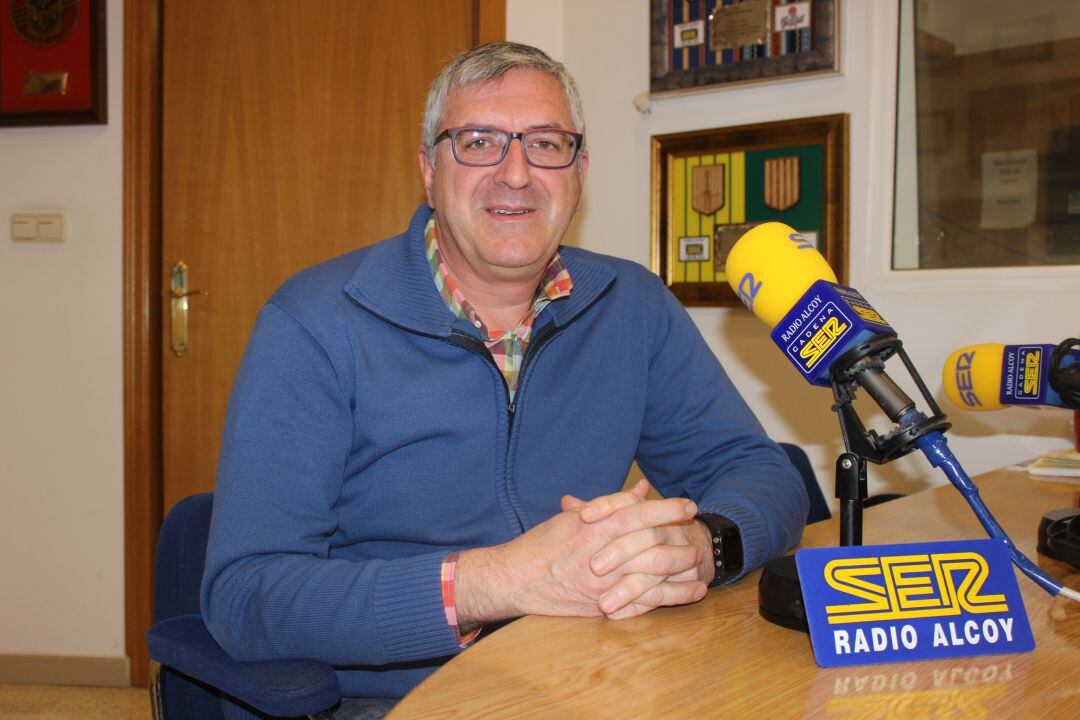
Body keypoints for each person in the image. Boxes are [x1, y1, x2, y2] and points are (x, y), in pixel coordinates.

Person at [202, 41, 808, 719]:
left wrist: (704, 546)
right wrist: (496, 582)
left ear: (579, 171)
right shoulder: (315, 322)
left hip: (599, 676)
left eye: (546, 143)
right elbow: (247, 595)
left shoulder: (632, 305)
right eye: (479, 141)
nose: (515, 173)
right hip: (393, 700)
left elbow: (763, 471)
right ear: (429, 171)